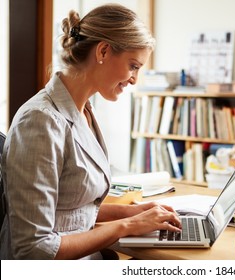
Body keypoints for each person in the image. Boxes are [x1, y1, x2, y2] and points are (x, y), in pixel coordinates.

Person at [0, 3, 181, 260]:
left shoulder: (84, 110)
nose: (134, 79)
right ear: (104, 51)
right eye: (133, 66)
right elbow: (34, 249)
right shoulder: (40, 122)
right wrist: (127, 226)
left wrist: (135, 212)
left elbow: (74, 207)